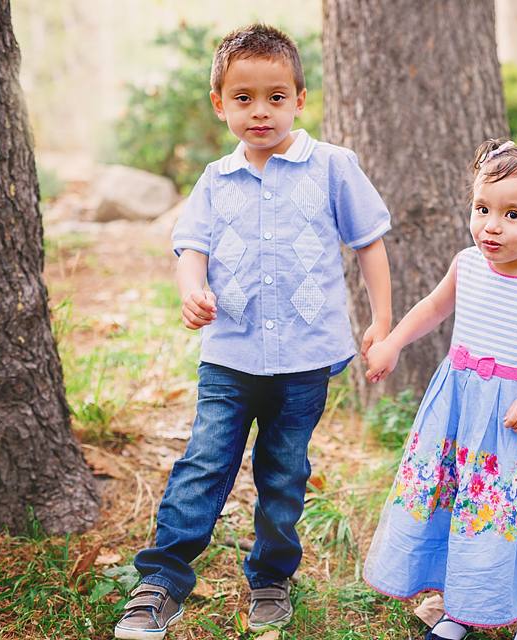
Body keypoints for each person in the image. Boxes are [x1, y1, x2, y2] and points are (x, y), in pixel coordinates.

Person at [114, 24, 392, 640]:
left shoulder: (332, 167)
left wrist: (382, 322)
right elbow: (192, 246)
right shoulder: (215, 179)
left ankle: (270, 578)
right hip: (230, 357)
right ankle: (160, 580)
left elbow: (369, 243)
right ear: (220, 104)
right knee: (204, 462)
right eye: (243, 98)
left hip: (305, 360)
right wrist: (192, 290)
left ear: (298, 99)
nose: (260, 111)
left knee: (283, 471)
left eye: (275, 96)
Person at [362, 139, 517, 640]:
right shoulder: (467, 265)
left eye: (512, 214)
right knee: (462, 510)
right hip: (461, 415)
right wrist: (394, 342)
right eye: (482, 208)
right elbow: (432, 309)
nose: (491, 225)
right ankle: (460, 607)